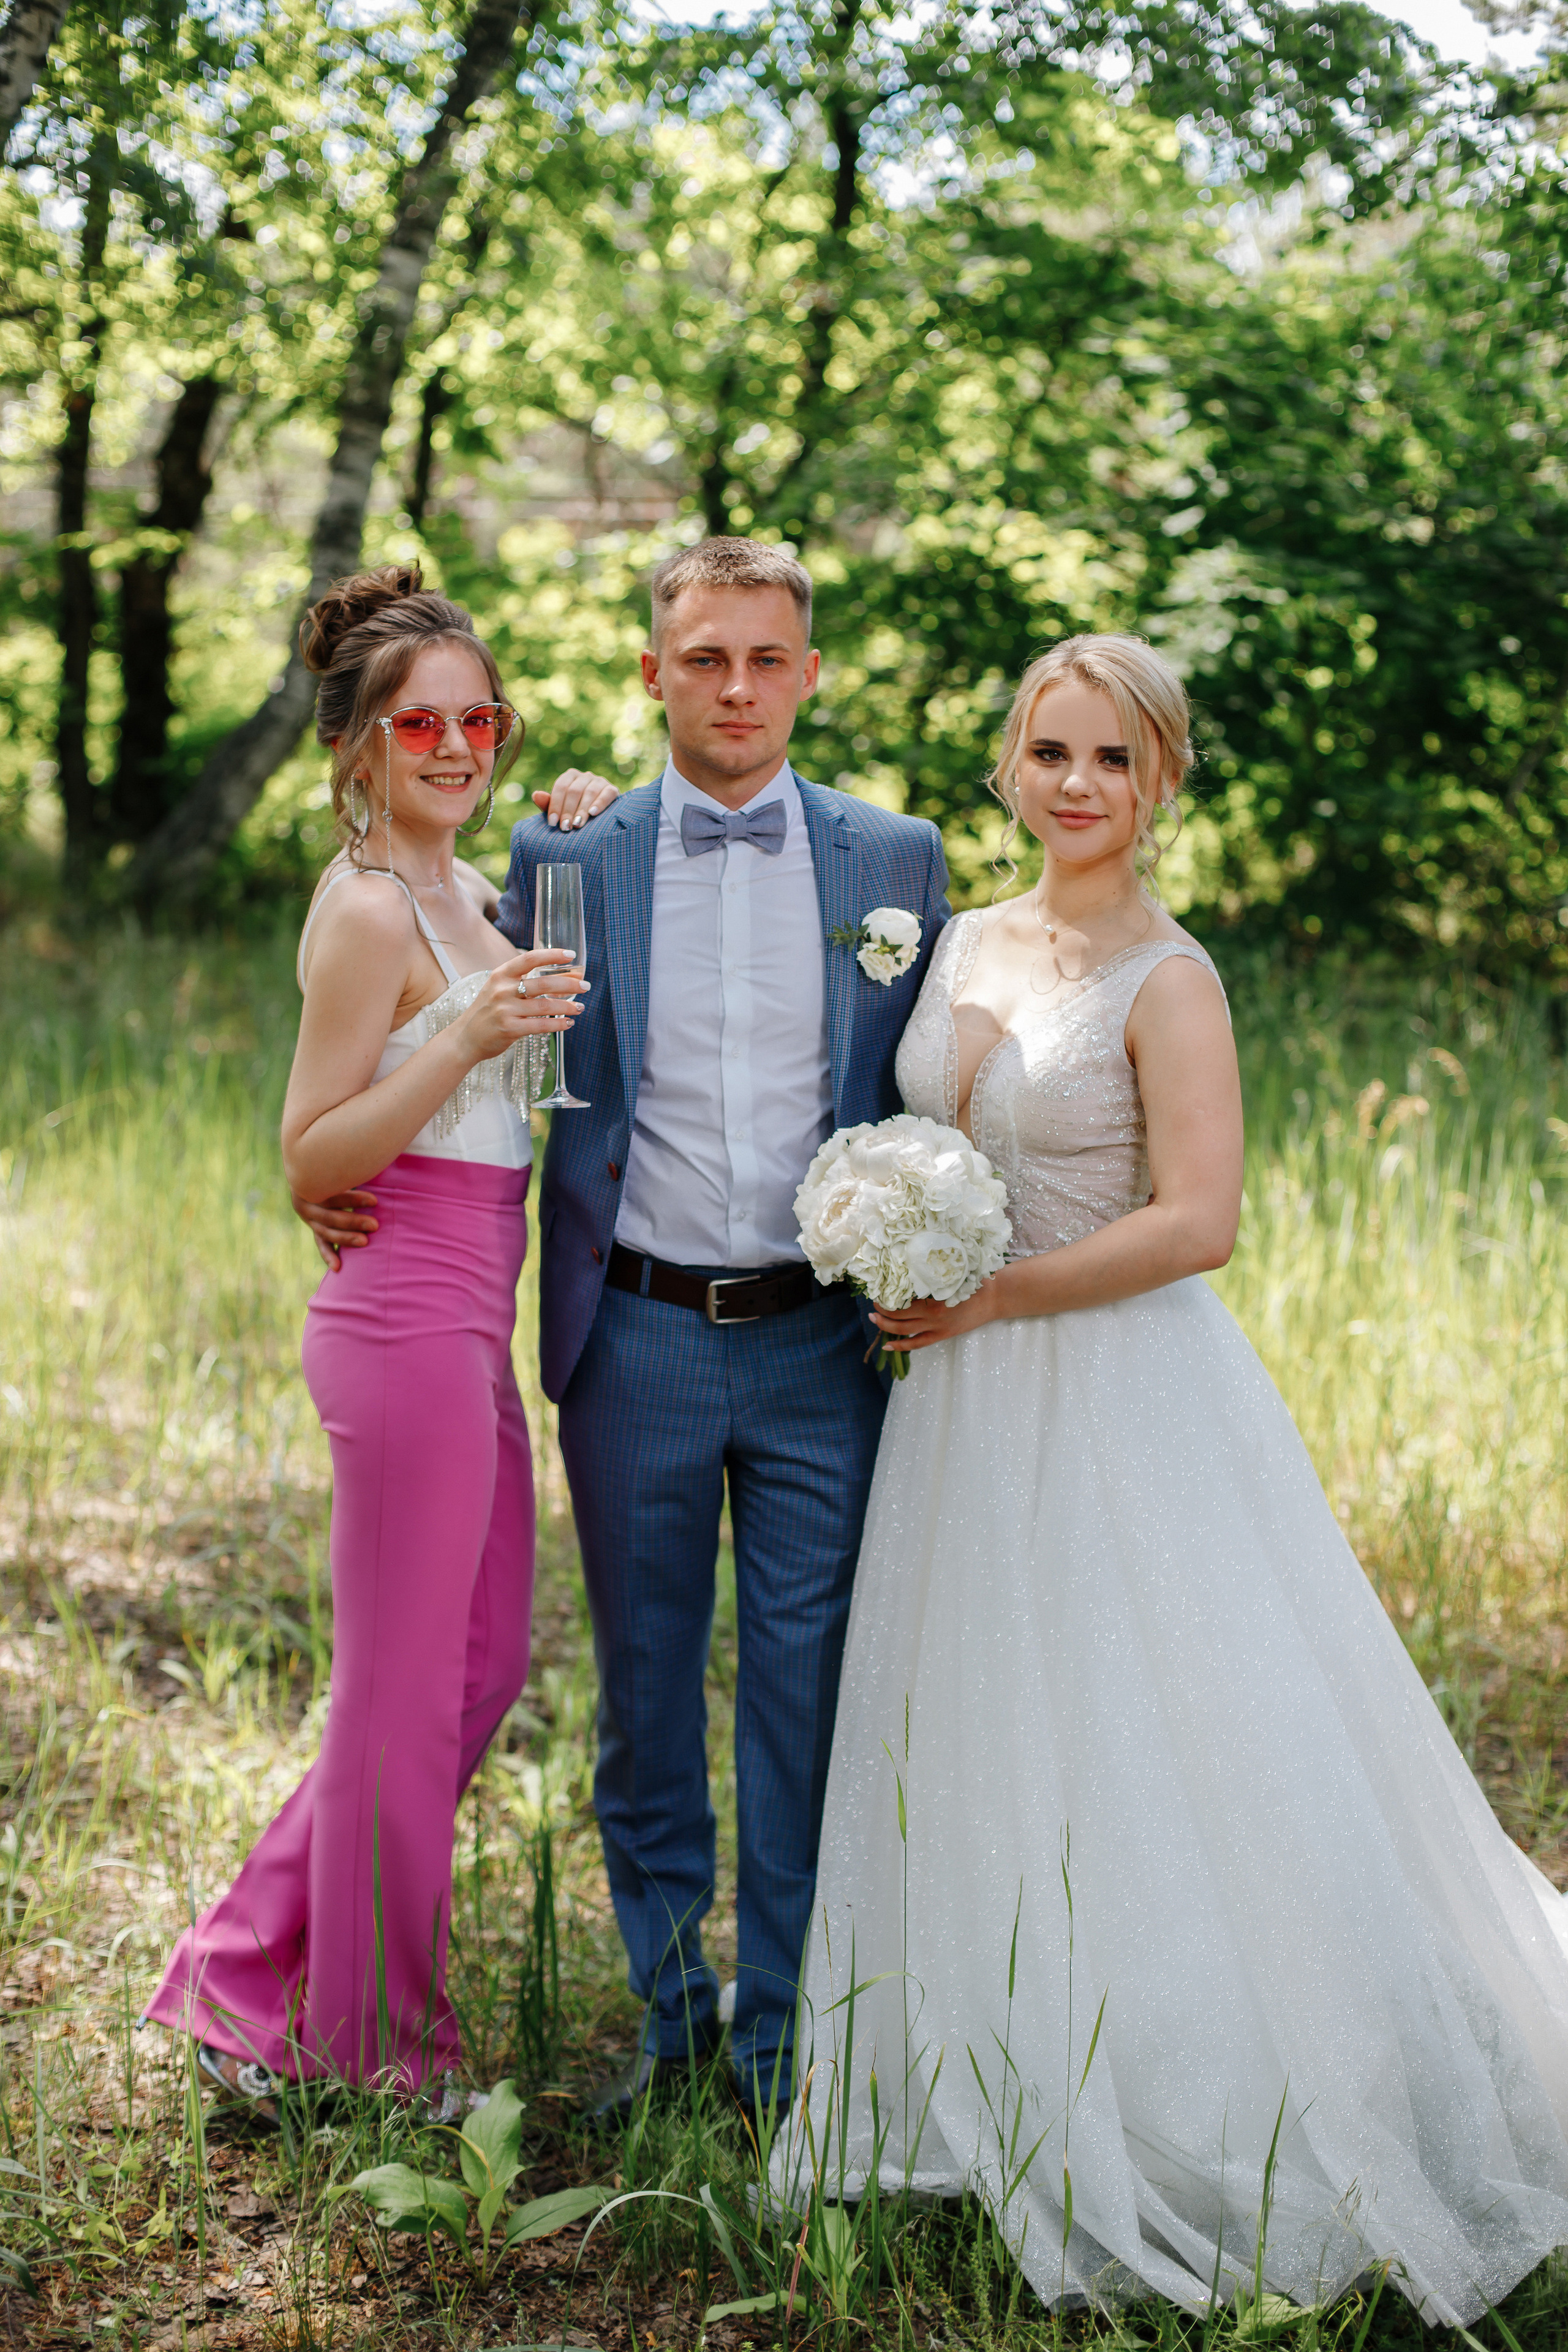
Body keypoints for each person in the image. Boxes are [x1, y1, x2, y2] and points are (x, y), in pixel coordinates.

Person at [774, 634, 1568, 2326]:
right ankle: (977, 2077)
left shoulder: (1170, 978)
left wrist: (991, 1295)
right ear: (1010, 763)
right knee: (980, 1723)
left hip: (1113, 1387)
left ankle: (1187, 2099)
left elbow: (1200, 1221)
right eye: (1051, 751)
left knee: (1146, 1732)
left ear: (1162, 781)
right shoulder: (960, 934)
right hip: (958, 1403)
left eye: (1112, 759)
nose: (1077, 785)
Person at [493, 537, 951, 2122]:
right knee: (643, 1689)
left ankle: (784, 2028)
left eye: (766, 659)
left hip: (827, 1345)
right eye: (704, 658)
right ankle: (670, 2011)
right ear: (653, 673)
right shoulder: (567, 854)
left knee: (807, 1688)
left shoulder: (898, 859)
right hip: (636, 1337)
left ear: (809, 674)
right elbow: (487, 1052)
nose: (736, 687)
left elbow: (941, 1072)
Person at [142, 566, 609, 2116]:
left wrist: (585, 815)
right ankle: (375, 2046)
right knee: (404, 1694)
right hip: (402, 1313)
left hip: (474, 1318)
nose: (458, 747)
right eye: (422, 726)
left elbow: (551, 935)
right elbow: (310, 1156)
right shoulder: (364, 910)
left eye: (483, 720)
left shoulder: (471, 890)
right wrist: (465, 1038)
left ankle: (239, 1973)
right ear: (357, 745)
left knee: (474, 1671)